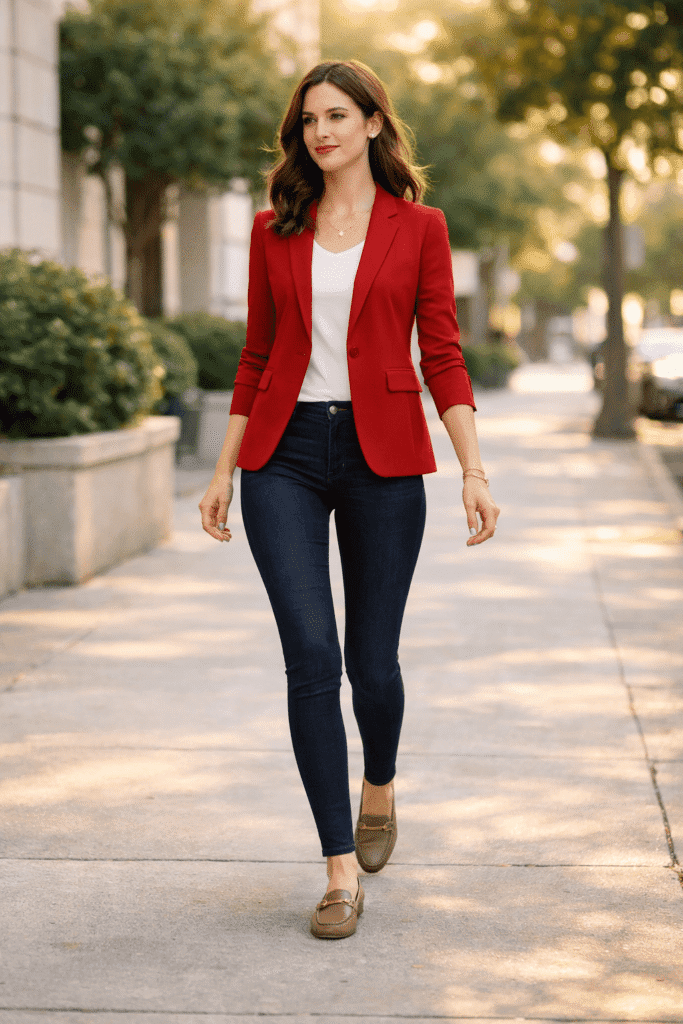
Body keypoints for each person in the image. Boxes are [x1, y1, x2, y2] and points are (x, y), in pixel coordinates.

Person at [199, 59, 499, 939]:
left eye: (336, 116)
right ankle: (336, 871)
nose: (318, 132)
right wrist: (223, 470)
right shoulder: (274, 227)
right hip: (283, 456)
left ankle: (380, 783)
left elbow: (439, 351)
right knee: (309, 659)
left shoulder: (421, 227)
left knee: (372, 664)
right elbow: (257, 356)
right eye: (306, 120)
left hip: (383, 457)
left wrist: (472, 468)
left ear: (373, 124)